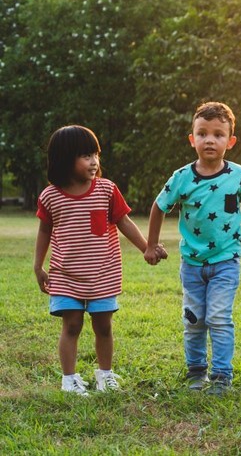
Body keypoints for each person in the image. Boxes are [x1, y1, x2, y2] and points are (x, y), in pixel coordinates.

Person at [145, 102, 241, 395]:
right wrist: (151, 245)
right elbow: (158, 207)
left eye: (218, 134)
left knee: (219, 317)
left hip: (226, 261)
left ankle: (221, 376)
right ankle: (196, 373)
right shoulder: (182, 177)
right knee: (194, 320)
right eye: (203, 133)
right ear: (192, 139)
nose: (210, 140)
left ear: (230, 142)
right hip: (192, 263)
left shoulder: (237, 175)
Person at [34, 125, 159, 395]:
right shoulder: (50, 196)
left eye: (96, 154)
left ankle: (105, 375)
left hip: (103, 273)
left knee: (103, 326)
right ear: (65, 158)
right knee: (72, 325)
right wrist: (38, 265)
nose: (94, 162)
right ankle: (69, 380)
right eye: (86, 156)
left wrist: (146, 248)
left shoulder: (106, 190)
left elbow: (124, 222)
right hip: (65, 274)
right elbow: (45, 231)